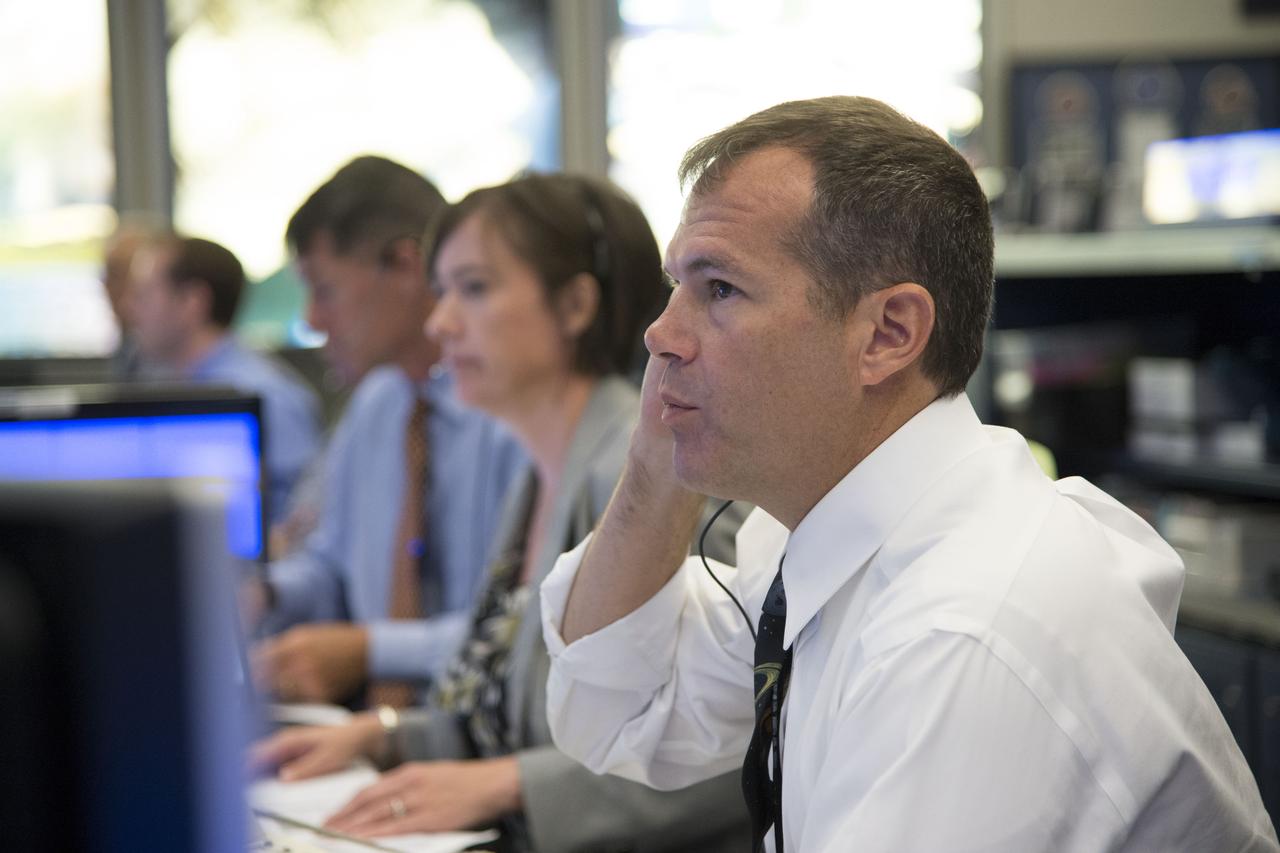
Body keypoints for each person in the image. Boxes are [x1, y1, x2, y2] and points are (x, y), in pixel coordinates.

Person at [539, 96, 1279, 852]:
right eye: (675, 287)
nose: (660, 332)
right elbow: (619, 709)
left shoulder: (961, 628)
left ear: (888, 333)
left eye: (719, 289)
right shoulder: (837, 542)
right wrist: (657, 455)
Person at [251, 174, 750, 852]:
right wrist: (393, 734)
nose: (440, 321)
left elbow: (735, 737)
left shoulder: (650, 477)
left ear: (574, 304)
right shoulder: (540, 470)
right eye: (443, 289)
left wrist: (511, 783)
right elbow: (507, 712)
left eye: (474, 288)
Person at [251, 156, 525, 705]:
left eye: (324, 290)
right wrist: (266, 595)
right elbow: (333, 566)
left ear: (405, 264)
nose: (312, 319)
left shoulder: (512, 412)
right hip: (370, 731)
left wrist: (369, 649)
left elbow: (524, 627)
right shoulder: (377, 404)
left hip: (475, 735)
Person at [130, 233, 322, 523]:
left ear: (191, 302)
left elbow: (301, 528)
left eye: (143, 295)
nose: (130, 308)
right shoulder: (168, 384)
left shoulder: (267, 397)